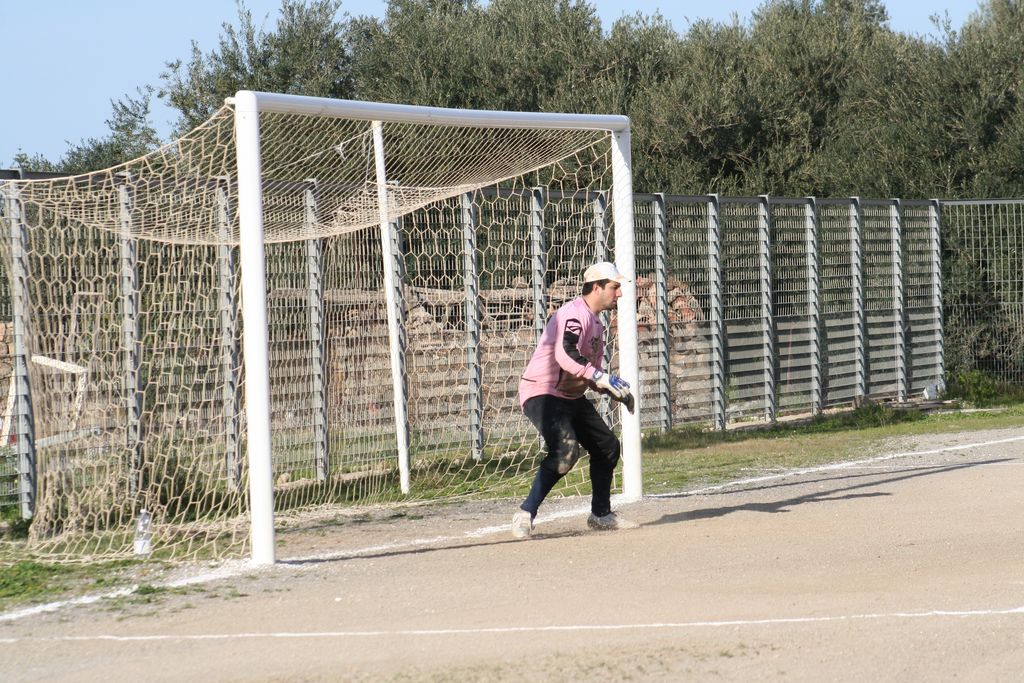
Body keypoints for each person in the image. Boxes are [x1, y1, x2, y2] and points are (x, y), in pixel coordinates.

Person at [512, 261, 637, 539]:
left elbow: (587, 372)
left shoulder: (597, 325)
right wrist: (601, 376)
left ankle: (601, 515)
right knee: (566, 451)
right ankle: (525, 514)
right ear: (597, 288)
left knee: (607, 446)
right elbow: (566, 354)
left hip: (569, 395)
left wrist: (611, 389)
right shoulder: (573, 314)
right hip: (542, 392)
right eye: (614, 287)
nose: (619, 294)